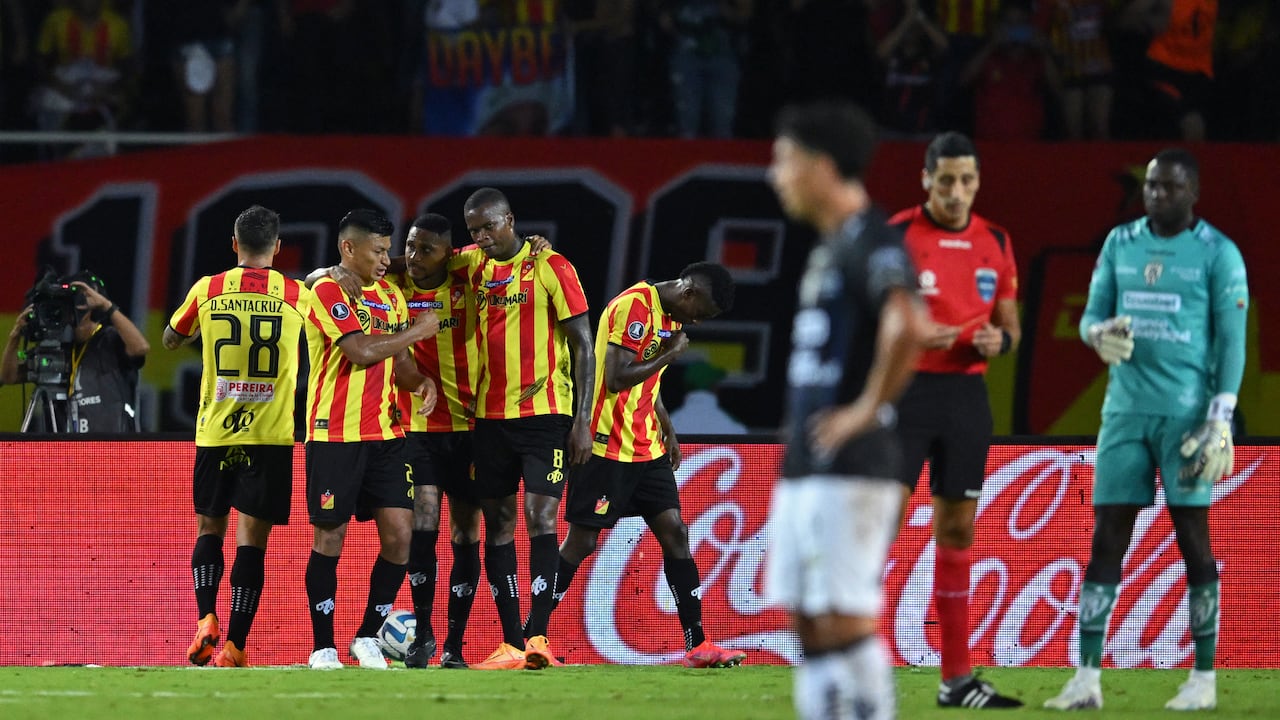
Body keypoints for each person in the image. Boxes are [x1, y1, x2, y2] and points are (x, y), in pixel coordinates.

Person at [1044, 148, 1247, 711]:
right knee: (1107, 538)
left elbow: (1232, 341)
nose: (1158, 195)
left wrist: (1220, 418)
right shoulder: (1120, 243)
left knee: (1193, 541)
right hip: (1124, 412)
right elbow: (1090, 314)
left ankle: (1203, 678)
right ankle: (1085, 678)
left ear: (1194, 193)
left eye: (1171, 187)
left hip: (1186, 418)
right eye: (1152, 186)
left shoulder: (1218, 254)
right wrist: (1096, 333)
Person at [764, 99, 928, 720]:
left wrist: (864, 409)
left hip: (855, 460)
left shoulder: (870, 237)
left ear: (821, 165)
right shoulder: (832, 246)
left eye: (784, 160)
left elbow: (908, 322)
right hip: (810, 461)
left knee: (843, 615)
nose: (775, 175)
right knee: (810, 620)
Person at [548, 262, 746, 668]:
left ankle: (698, 644)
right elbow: (618, 378)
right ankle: (531, 634)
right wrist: (670, 353)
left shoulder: (667, 316)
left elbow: (647, 387)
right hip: (605, 445)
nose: (697, 322)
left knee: (675, 531)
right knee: (581, 543)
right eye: (701, 313)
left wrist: (667, 428)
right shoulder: (634, 306)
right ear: (689, 292)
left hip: (646, 446)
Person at [887, 131, 1024, 709]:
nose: (957, 191)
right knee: (880, 532)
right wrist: (909, 333)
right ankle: (854, 666)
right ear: (926, 180)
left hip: (967, 398)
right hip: (905, 394)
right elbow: (869, 316)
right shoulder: (895, 235)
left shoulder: (996, 240)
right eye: (946, 180)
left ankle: (957, 679)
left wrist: (1001, 339)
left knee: (959, 531)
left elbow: (1011, 325)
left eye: (966, 180)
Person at [163, 205, 307, 668]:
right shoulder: (296, 294)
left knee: (210, 527)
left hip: (215, 431)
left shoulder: (208, 289)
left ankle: (206, 618)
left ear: (234, 244)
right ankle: (235, 647)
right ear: (278, 247)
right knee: (252, 542)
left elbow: (170, 338)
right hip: (270, 434)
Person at [460, 187, 595, 670]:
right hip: (488, 419)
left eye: (489, 226)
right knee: (496, 524)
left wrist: (583, 422)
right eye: (473, 229)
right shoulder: (470, 264)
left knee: (541, 518)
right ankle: (512, 643)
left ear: (510, 219)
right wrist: (335, 272)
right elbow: (418, 259)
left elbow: (584, 345)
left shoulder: (552, 266)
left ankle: (539, 636)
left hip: (545, 415)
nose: (482, 236)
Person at [301, 209, 440, 670]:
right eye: (378, 251)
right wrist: (418, 331)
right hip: (334, 434)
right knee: (330, 536)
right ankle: (323, 646)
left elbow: (397, 366)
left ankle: (366, 637)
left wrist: (420, 381)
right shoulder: (326, 289)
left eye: (388, 250)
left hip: (386, 434)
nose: (387, 259)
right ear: (348, 248)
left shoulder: (392, 298)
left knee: (401, 536)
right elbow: (359, 352)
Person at [387, 214, 485, 670]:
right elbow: (320, 277)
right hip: (420, 431)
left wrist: (537, 244)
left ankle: (455, 646)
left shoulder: (470, 273)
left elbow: (508, 254)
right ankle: (422, 635)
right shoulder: (396, 284)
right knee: (422, 526)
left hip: (470, 430)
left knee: (465, 533)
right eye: (409, 246)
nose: (414, 256)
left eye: (426, 249)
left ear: (449, 252)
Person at [2, 271, 149, 433]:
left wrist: (106, 306)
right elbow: (8, 376)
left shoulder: (110, 339)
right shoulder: (58, 348)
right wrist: (15, 336)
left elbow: (140, 348)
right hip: (69, 453)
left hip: (111, 449)